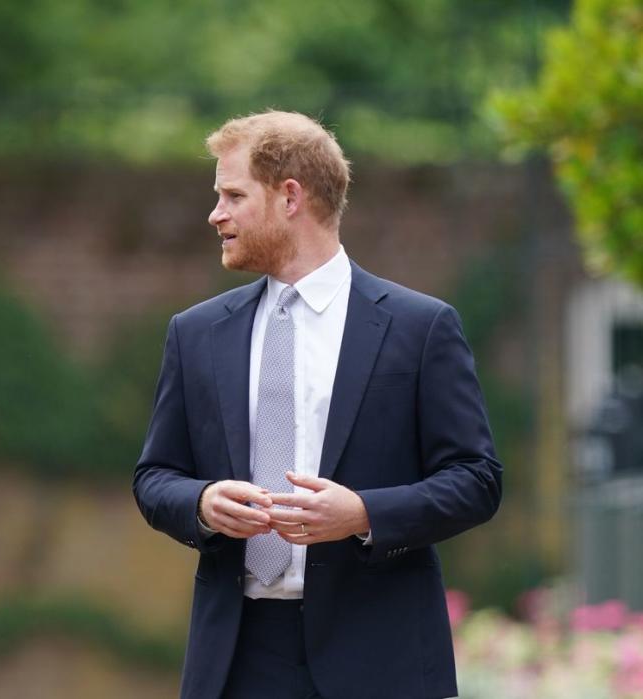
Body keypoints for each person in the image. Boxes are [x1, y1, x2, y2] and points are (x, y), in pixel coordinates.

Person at [133, 111, 502, 699]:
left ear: (290, 197)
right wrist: (202, 502)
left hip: (382, 659)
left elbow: (477, 480)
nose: (216, 214)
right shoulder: (195, 333)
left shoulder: (421, 327)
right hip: (235, 660)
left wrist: (362, 514)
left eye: (232, 195)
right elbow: (154, 478)